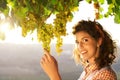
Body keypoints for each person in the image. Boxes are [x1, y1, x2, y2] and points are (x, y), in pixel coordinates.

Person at [40, 20, 117, 80]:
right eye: (77, 42)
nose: (79, 46)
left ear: (98, 41)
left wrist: (54, 75)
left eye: (85, 40)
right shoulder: (87, 71)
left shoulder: (106, 75)